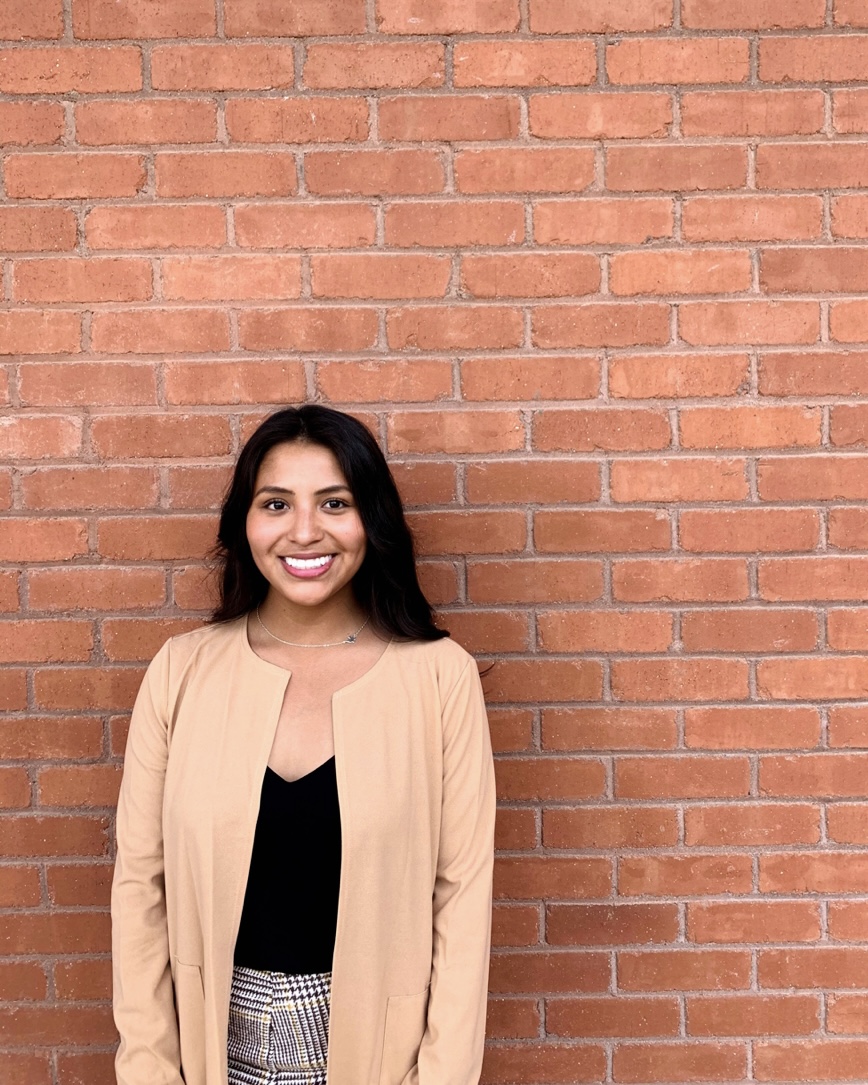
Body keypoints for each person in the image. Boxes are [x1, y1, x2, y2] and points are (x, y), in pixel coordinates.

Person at [111, 404, 496, 1085]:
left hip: (379, 1050)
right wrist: (150, 1069)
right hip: (212, 1049)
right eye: (277, 503)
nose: (305, 530)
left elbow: (461, 899)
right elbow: (141, 887)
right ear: (245, 522)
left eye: (335, 502)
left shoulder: (439, 677)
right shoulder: (181, 671)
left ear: (369, 518)